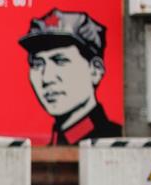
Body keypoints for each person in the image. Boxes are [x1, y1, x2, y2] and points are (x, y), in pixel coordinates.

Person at [18, 8, 122, 145]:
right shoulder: (54, 142)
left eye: (60, 61)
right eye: (37, 64)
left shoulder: (111, 141)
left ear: (95, 70)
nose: (47, 78)